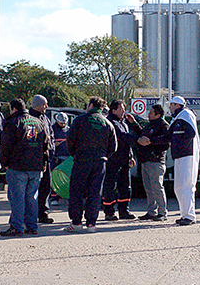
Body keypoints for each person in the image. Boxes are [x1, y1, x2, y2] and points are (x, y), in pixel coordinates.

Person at [65, 96, 117, 233]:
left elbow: (70, 140)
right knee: (95, 192)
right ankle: (91, 223)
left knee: (77, 191)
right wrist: (104, 156)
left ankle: (76, 222)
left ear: (91, 105)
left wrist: (74, 154)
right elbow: (113, 147)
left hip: (82, 160)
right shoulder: (107, 123)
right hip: (100, 162)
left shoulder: (80, 120)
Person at [0, 98, 49, 237]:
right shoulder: (38, 122)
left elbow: (5, 146)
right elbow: (46, 145)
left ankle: (16, 226)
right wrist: (44, 162)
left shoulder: (12, 123)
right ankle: (32, 226)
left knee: (17, 198)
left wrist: (4, 163)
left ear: (14, 109)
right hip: (36, 166)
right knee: (32, 197)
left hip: (18, 166)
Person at [102, 100, 141, 221]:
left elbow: (126, 142)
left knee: (125, 186)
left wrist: (130, 156)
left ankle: (124, 210)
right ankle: (109, 211)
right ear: (113, 110)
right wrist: (138, 140)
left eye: (124, 109)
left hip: (124, 159)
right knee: (111, 186)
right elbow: (122, 137)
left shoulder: (123, 122)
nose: (123, 111)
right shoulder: (110, 122)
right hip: (113, 159)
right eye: (121, 109)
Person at [135, 104, 170, 221]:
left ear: (158, 115)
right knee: (148, 188)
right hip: (145, 160)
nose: (148, 115)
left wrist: (151, 141)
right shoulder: (149, 125)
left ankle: (162, 212)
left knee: (157, 187)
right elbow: (142, 134)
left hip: (156, 161)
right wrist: (134, 124)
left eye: (151, 113)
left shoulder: (163, 126)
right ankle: (151, 211)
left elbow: (166, 141)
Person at [168, 96, 200, 226]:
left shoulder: (186, 115)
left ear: (177, 105)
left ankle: (189, 216)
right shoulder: (177, 118)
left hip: (188, 155)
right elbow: (168, 136)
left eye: (171, 105)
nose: (169, 107)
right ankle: (184, 214)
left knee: (187, 185)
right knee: (179, 187)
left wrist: (180, 147)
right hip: (180, 156)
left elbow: (190, 134)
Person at [29, 95, 56, 224]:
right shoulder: (31, 119)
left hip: (47, 156)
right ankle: (31, 214)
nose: (46, 107)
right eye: (44, 104)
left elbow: (51, 133)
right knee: (33, 188)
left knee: (46, 186)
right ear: (37, 105)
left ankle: (43, 212)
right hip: (35, 157)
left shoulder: (45, 118)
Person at [50, 112, 70, 206]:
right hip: (56, 157)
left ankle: (66, 195)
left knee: (67, 178)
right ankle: (54, 197)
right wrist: (54, 144)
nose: (63, 125)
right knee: (55, 178)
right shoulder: (52, 129)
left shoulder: (68, 130)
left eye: (64, 123)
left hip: (67, 158)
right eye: (61, 123)